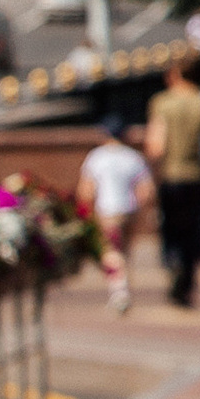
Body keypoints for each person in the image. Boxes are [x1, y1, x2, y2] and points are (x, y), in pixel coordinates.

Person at [146, 51, 200, 307]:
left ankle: (174, 269)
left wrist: (152, 174)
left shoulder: (162, 102)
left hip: (171, 177)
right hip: (197, 175)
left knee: (171, 229)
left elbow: (156, 146)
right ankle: (188, 280)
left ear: (174, 75)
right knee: (193, 230)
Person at [78, 117, 153, 314]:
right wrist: (139, 207)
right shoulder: (133, 157)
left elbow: (86, 191)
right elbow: (146, 190)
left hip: (107, 210)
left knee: (111, 252)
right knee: (124, 251)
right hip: (129, 209)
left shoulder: (97, 157)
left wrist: (87, 212)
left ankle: (120, 292)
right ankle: (121, 289)